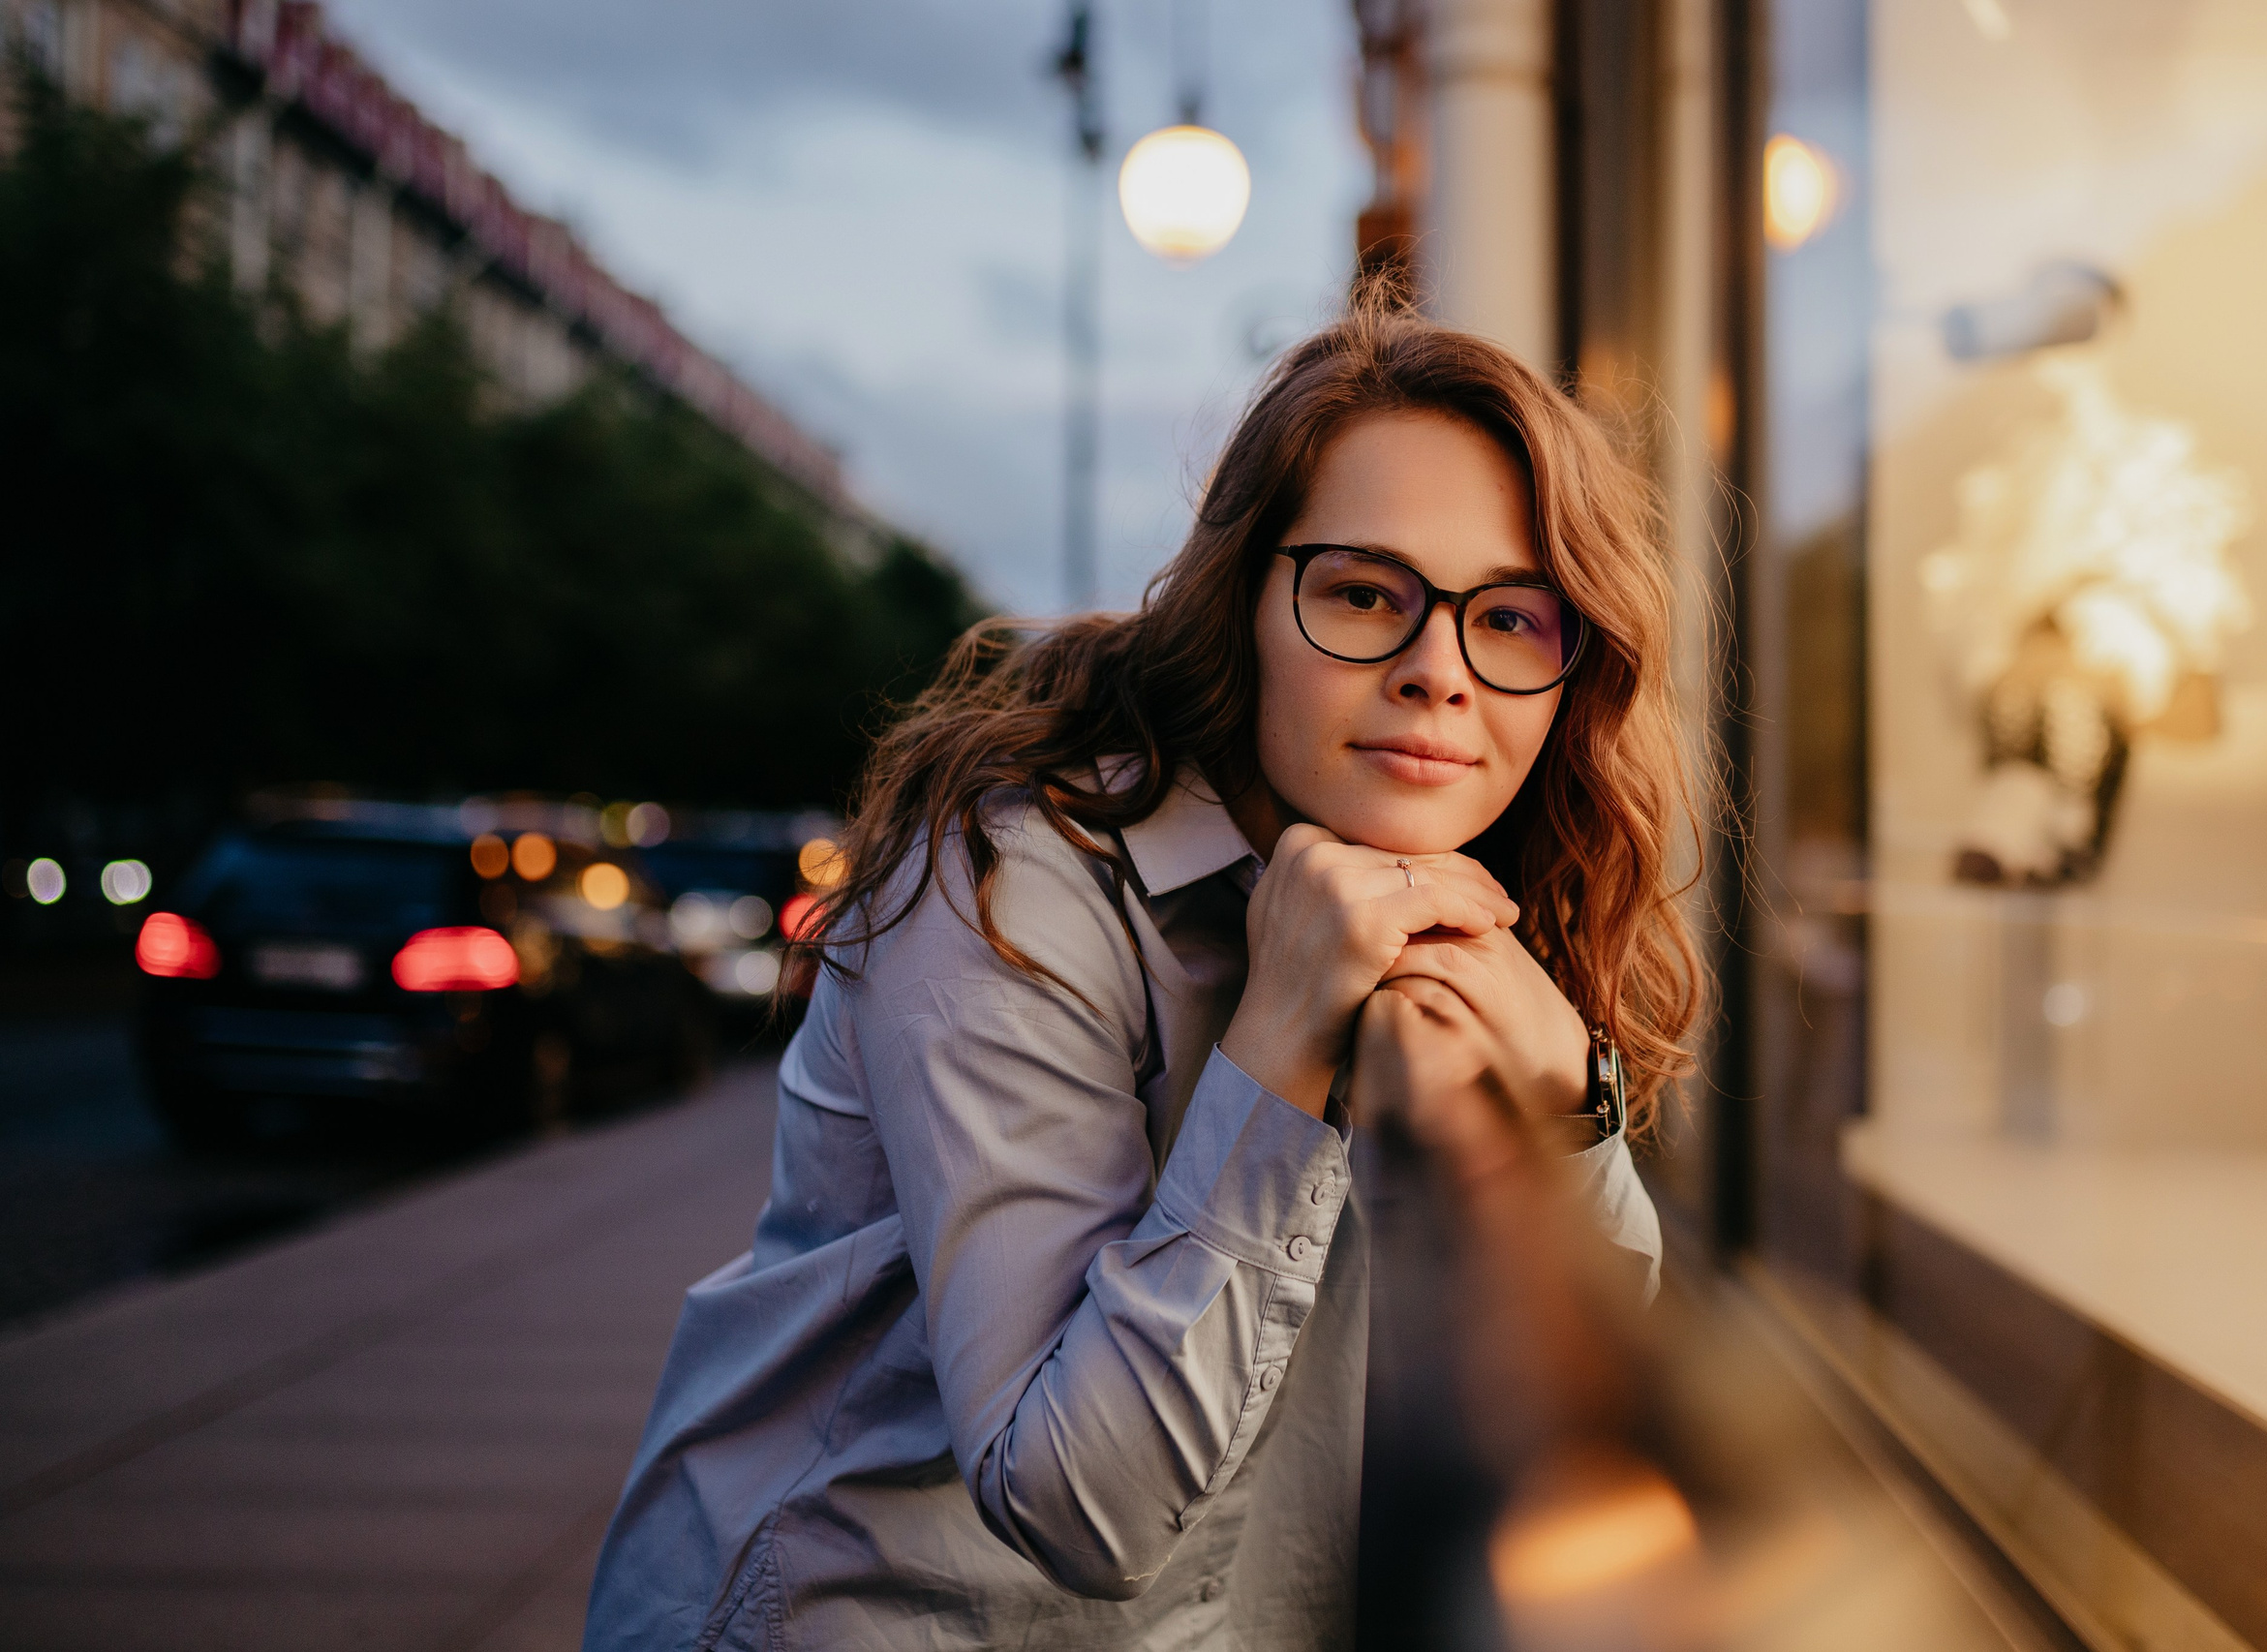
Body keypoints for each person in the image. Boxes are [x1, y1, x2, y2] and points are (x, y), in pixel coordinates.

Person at [580, 298, 1705, 1651]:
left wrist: (1569, 1103)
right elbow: (1081, 1507)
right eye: (1363, 594)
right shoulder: (1001, 882)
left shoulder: (1475, 906)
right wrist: (1276, 1044)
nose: (1436, 672)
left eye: (1512, 618)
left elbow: (1567, 1388)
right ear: (1245, 602)